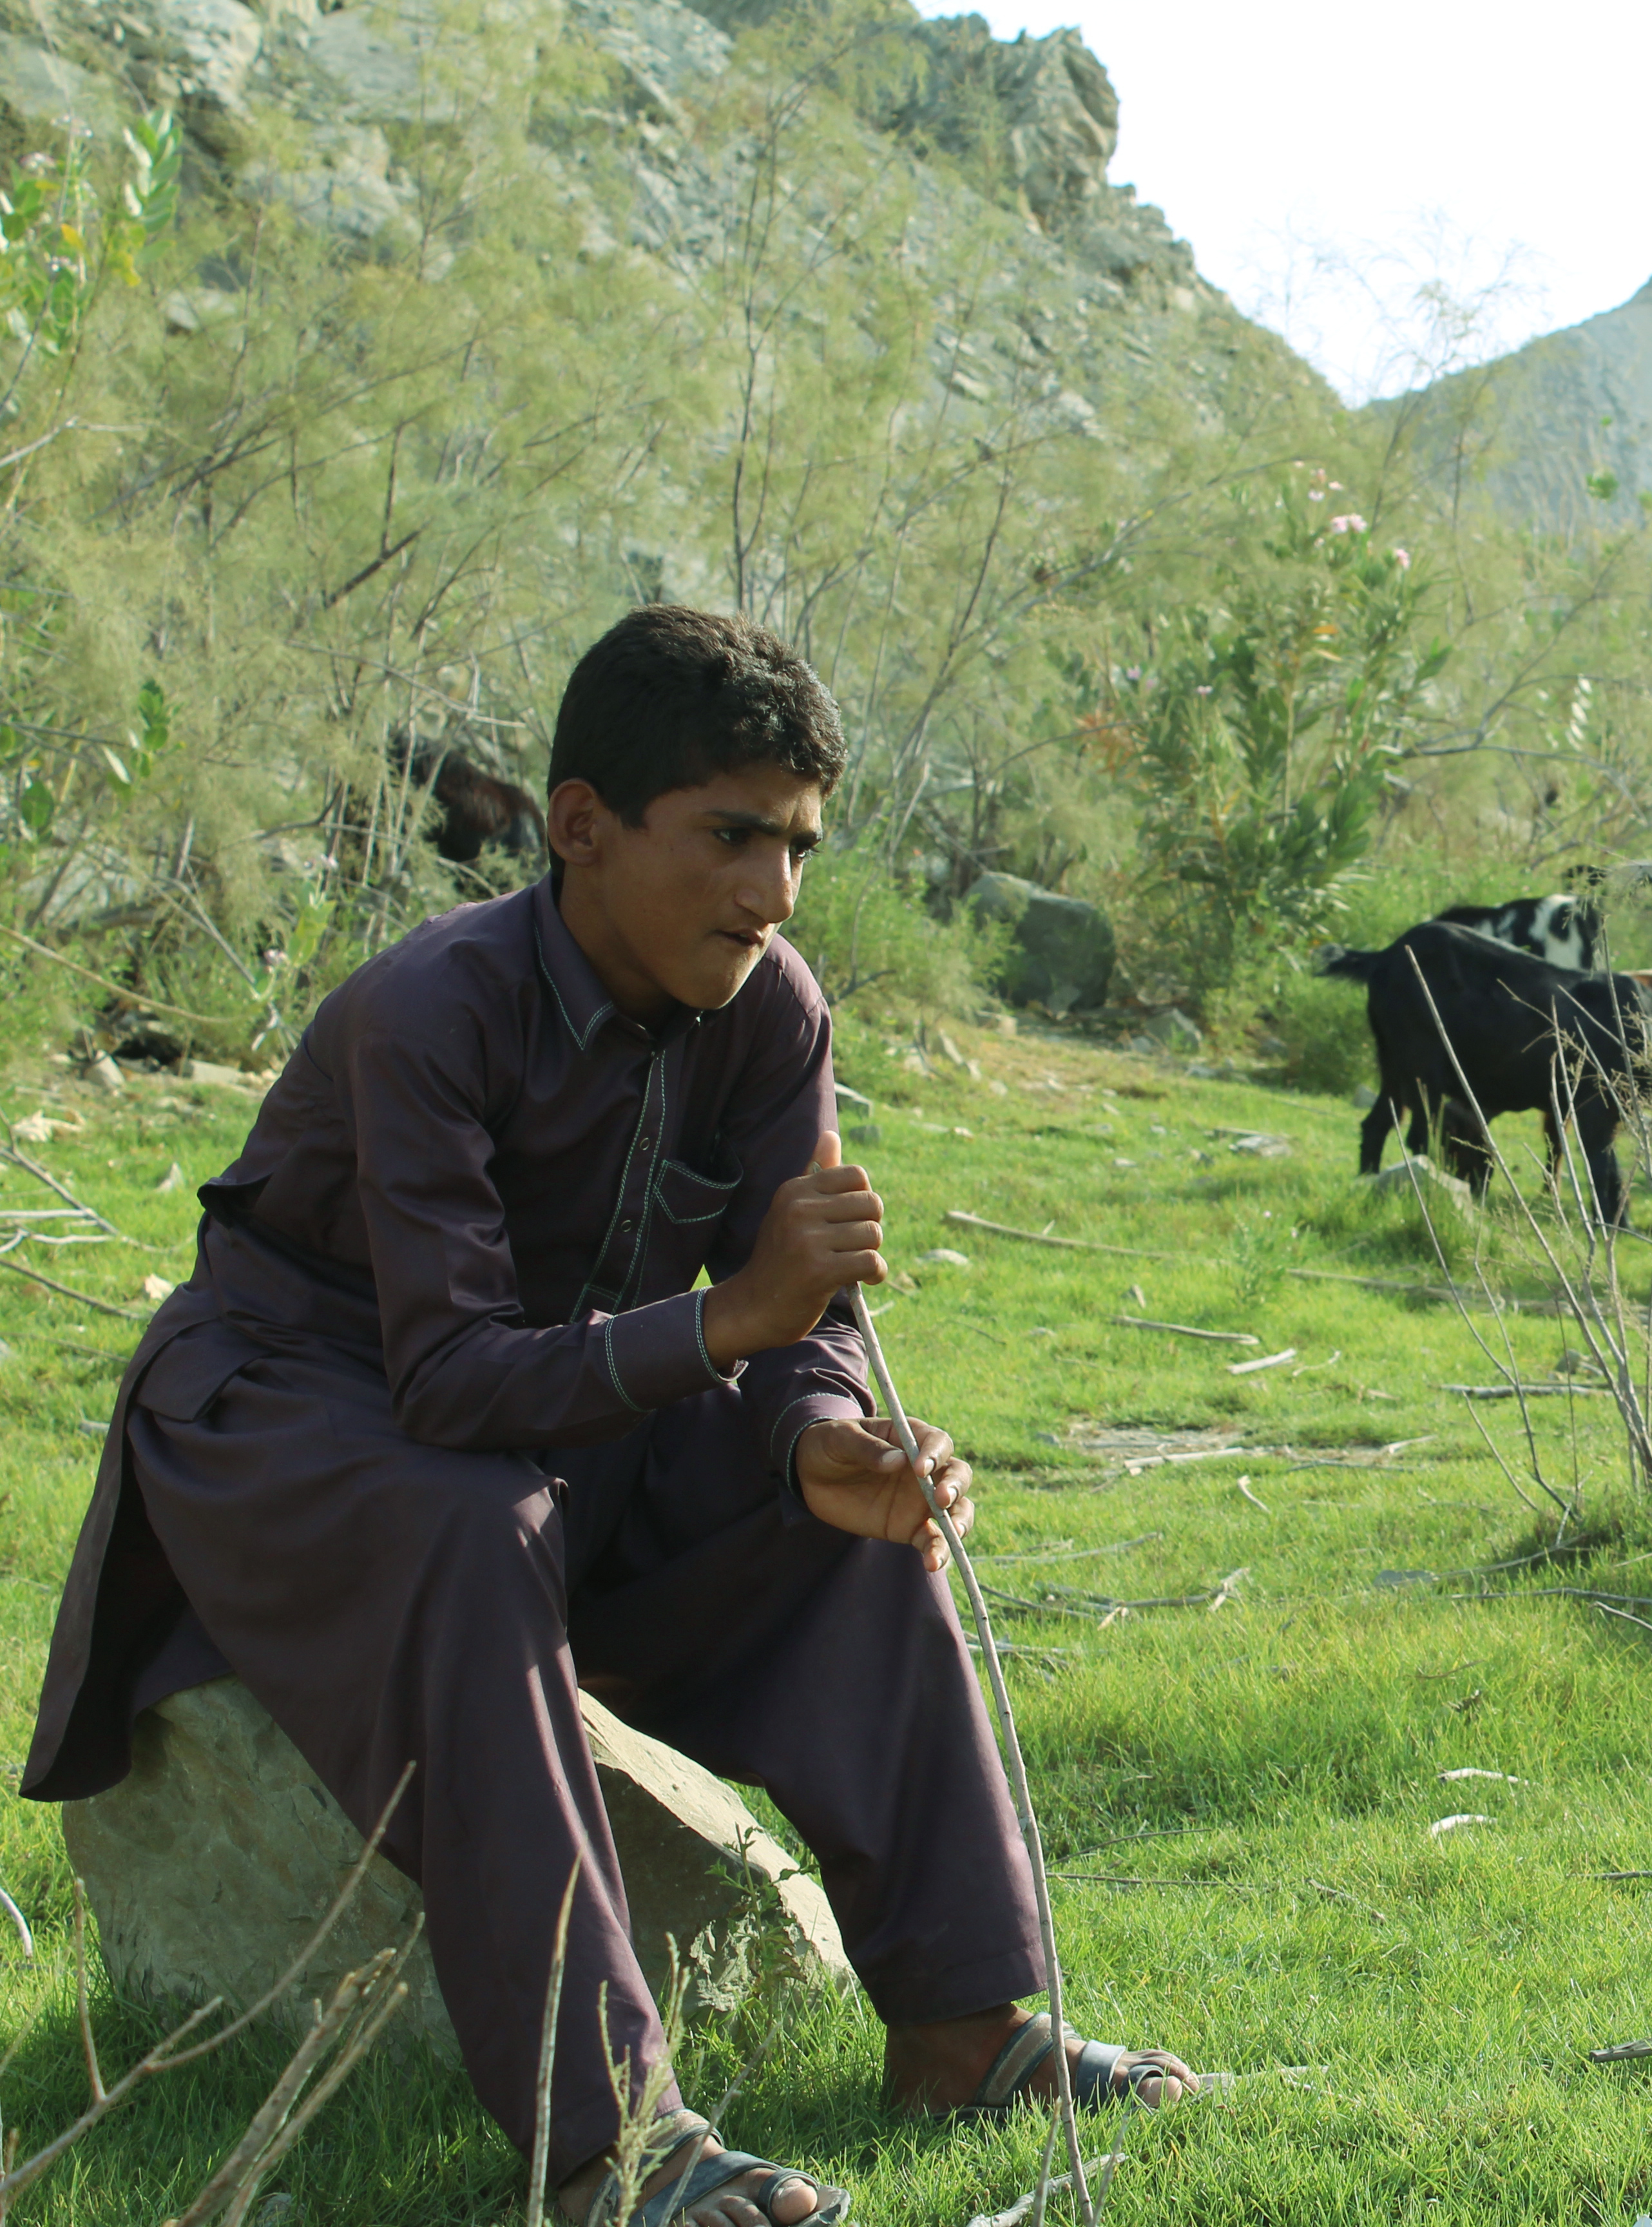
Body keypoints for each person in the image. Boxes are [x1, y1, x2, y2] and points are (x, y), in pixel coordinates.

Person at [22, 608, 1192, 2226]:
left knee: (858, 1525)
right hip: (295, 1416)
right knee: (470, 1522)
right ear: (581, 826)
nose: (774, 892)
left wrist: (822, 1438)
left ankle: (965, 2029)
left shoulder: (775, 1011)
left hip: (563, 1412)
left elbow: (802, 1329)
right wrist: (732, 1323)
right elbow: (442, 1378)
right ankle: (618, 2149)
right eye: (730, 836)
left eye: (795, 845)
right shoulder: (428, 1009)